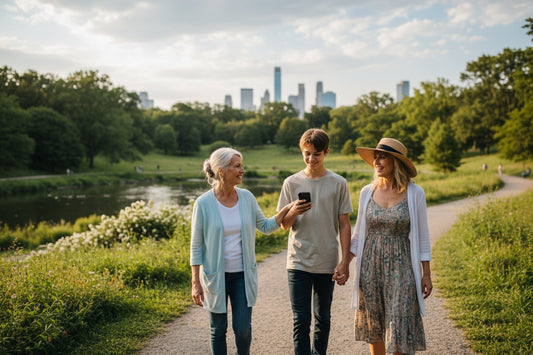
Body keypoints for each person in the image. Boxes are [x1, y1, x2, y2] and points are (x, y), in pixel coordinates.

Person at [190, 147, 294, 355]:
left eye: (241, 166)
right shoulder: (203, 203)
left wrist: (286, 211)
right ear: (221, 170)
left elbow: (264, 227)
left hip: (242, 276)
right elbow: (196, 245)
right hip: (214, 277)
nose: (242, 170)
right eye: (237, 166)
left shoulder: (247, 198)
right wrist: (195, 282)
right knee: (218, 329)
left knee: (243, 329)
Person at [342, 138, 432, 355]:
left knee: (400, 321)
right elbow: (358, 235)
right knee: (375, 323)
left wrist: (426, 274)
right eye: (375, 157)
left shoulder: (415, 193)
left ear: (396, 161)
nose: (377, 162)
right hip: (370, 267)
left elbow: (422, 237)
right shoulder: (366, 192)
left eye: (382, 157)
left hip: (402, 267)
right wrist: (344, 263)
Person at [277, 128, 353, 355]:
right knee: (301, 321)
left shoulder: (339, 183)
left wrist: (344, 262)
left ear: (326, 152)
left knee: (323, 318)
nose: (311, 159)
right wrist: (294, 211)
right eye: (307, 153)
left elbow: (345, 225)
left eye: (316, 154)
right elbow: (284, 224)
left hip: (327, 261)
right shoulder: (291, 183)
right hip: (298, 260)